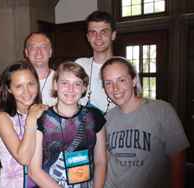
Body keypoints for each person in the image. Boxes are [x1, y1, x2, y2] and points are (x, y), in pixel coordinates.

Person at [100, 57, 190, 188]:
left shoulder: (162, 111)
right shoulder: (107, 118)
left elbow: (177, 162)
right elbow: (103, 161)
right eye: (108, 83)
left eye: (121, 80)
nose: (115, 88)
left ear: (134, 81)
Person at [29, 61, 107, 188]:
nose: (71, 89)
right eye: (65, 83)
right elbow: (34, 171)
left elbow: (100, 161)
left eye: (77, 84)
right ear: (55, 84)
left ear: (84, 88)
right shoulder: (41, 118)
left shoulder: (95, 116)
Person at [0, 61, 48, 188]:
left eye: (31, 84)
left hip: (41, 182)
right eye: (18, 86)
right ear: (9, 89)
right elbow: (23, 159)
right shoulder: (3, 117)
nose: (27, 91)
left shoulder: (40, 111)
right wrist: (31, 119)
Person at [75, 11, 142, 114]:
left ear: (113, 35)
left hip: (118, 126)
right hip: (87, 127)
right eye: (93, 32)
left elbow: (137, 99)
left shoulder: (125, 65)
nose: (98, 37)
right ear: (88, 37)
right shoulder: (80, 65)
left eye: (104, 31)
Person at [25, 31, 57, 106]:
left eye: (43, 47)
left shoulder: (61, 80)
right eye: (33, 47)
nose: (38, 51)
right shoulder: (18, 82)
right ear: (26, 52)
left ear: (50, 52)